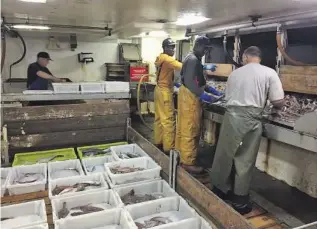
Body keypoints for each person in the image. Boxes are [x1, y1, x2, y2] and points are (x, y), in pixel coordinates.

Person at [210, 46, 285, 215]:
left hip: (232, 117)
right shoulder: (269, 73)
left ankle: (219, 190)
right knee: (245, 158)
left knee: (225, 154)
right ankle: (240, 200)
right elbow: (278, 100)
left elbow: (227, 97)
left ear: (245, 58)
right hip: (252, 119)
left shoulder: (235, 74)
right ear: (259, 58)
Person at [175, 36, 222, 174]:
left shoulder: (191, 57)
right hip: (190, 97)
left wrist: (211, 90)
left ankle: (181, 155)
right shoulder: (194, 60)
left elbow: (197, 80)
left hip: (186, 96)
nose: (206, 53)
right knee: (190, 129)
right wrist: (206, 96)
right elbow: (192, 84)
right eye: (206, 49)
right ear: (201, 46)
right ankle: (187, 162)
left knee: (184, 128)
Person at [154, 38, 183, 154]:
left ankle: (159, 142)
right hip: (165, 92)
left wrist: (173, 83)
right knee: (168, 120)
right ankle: (168, 148)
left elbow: (164, 74)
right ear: (165, 48)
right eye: (171, 47)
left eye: (174, 47)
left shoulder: (160, 57)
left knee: (159, 119)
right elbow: (183, 66)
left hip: (159, 89)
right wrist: (203, 67)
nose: (173, 49)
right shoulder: (168, 59)